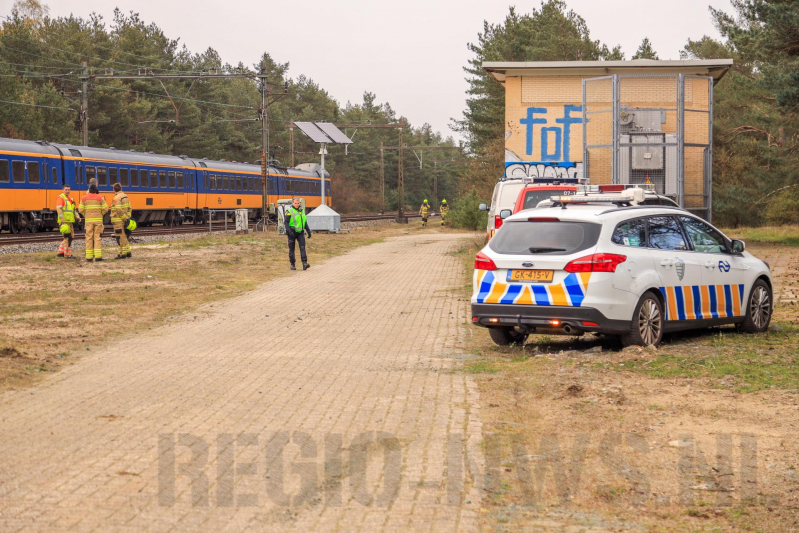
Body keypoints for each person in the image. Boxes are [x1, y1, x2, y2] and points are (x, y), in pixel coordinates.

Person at [79, 183, 108, 262]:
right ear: (96, 190)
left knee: (89, 238)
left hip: (88, 221)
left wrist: (86, 215)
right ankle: (98, 257)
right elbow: (106, 209)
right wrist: (100, 214)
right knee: (97, 238)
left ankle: (89, 257)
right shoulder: (100, 198)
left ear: (89, 189)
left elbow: (80, 209)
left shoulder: (84, 198)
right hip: (98, 221)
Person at [285, 197, 311, 271]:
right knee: (291, 249)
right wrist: (289, 232)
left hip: (300, 232)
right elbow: (286, 223)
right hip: (292, 232)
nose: (297, 204)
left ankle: (304, 263)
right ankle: (292, 264)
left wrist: (308, 231)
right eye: (295, 203)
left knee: (302, 247)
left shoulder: (301, 210)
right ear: (292, 203)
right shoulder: (289, 211)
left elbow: (304, 222)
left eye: (298, 203)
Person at [55, 185, 81, 259]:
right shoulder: (61, 198)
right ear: (62, 190)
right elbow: (59, 209)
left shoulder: (70, 199)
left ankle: (60, 252)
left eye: (69, 189)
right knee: (67, 237)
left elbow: (74, 210)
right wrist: (62, 219)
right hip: (65, 221)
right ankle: (67, 254)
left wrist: (78, 217)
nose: (68, 191)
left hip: (70, 221)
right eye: (66, 190)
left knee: (71, 237)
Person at [110, 183, 132, 259]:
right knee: (124, 236)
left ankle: (123, 254)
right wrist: (127, 217)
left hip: (118, 220)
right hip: (124, 219)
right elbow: (130, 208)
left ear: (114, 190)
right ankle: (128, 252)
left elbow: (118, 209)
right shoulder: (125, 196)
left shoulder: (117, 198)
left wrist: (123, 217)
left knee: (120, 237)